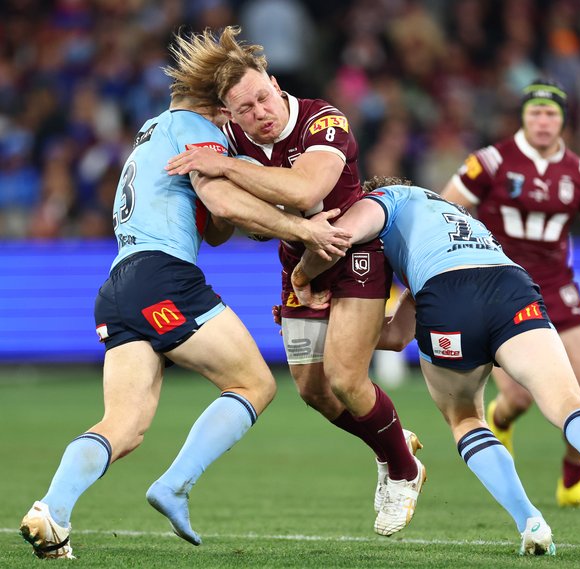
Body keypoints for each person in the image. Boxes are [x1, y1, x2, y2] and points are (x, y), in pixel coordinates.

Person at [17, 31, 352, 559]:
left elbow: (217, 224)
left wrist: (257, 206)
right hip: (163, 277)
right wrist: (305, 230)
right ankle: (174, 486)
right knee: (255, 384)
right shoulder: (197, 130)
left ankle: (52, 511)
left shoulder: (152, 131)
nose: (238, 121)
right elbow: (223, 200)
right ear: (217, 106)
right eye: (234, 110)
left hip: (118, 286)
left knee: (124, 427)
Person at [163, 27, 423, 536]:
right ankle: (392, 441)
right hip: (296, 259)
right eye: (245, 109)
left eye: (264, 97)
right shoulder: (232, 141)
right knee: (314, 392)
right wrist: (209, 179)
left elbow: (307, 190)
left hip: (352, 249)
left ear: (276, 84)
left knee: (348, 377)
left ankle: (402, 469)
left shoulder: (322, 119)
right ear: (229, 116)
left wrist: (224, 168)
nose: (261, 112)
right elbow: (220, 230)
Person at [290, 176, 580, 558]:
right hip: (510, 284)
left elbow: (341, 236)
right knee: (567, 399)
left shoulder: (385, 199)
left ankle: (531, 522)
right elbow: (394, 336)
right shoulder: (455, 216)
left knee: (465, 419)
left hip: (447, 296)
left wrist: (302, 277)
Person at [441, 76, 580, 509]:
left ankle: (572, 482)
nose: (543, 121)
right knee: (517, 396)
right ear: (523, 117)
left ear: (563, 121)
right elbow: (447, 206)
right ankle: (500, 416)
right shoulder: (492, 162)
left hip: (557, 286)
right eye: (535, 112)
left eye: (551, 114)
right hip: (500, 288)